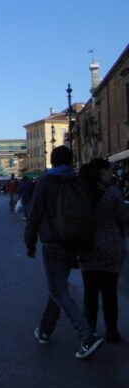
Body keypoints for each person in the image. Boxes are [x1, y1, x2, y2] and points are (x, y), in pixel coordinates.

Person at [24, 146, 103, 359]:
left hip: (54, 242)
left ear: (52, 161)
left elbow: (33, 215)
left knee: (58, 289)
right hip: (74, 241)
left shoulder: (46, 183)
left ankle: (87, 336)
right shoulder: (78, 182)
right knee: (59, 287)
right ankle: (45, 329)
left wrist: (30, 243)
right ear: (71, 160)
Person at [78, 158, 129, 342]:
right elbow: (124, 217)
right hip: (110, 247)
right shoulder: (113, 192)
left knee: (90, 293)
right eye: (110, 171)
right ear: (102, 172)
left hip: (88, 247)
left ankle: (90, 330)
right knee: (110, 293)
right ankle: (111, 331)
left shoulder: (83, 192)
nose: (112, 174)